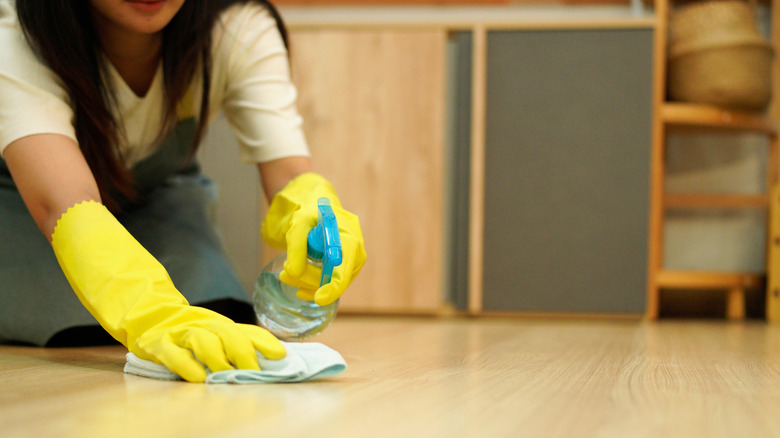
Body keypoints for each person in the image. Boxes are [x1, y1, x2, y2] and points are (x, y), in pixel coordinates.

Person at [0, 0, 366, 382]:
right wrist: (151, 312)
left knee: (218, 310)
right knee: (74, 327)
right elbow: (60, 201)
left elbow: (288, 170)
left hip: (157, 198)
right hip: (29, 210)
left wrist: (312, 208)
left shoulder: (236, 26)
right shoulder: (19, 28)